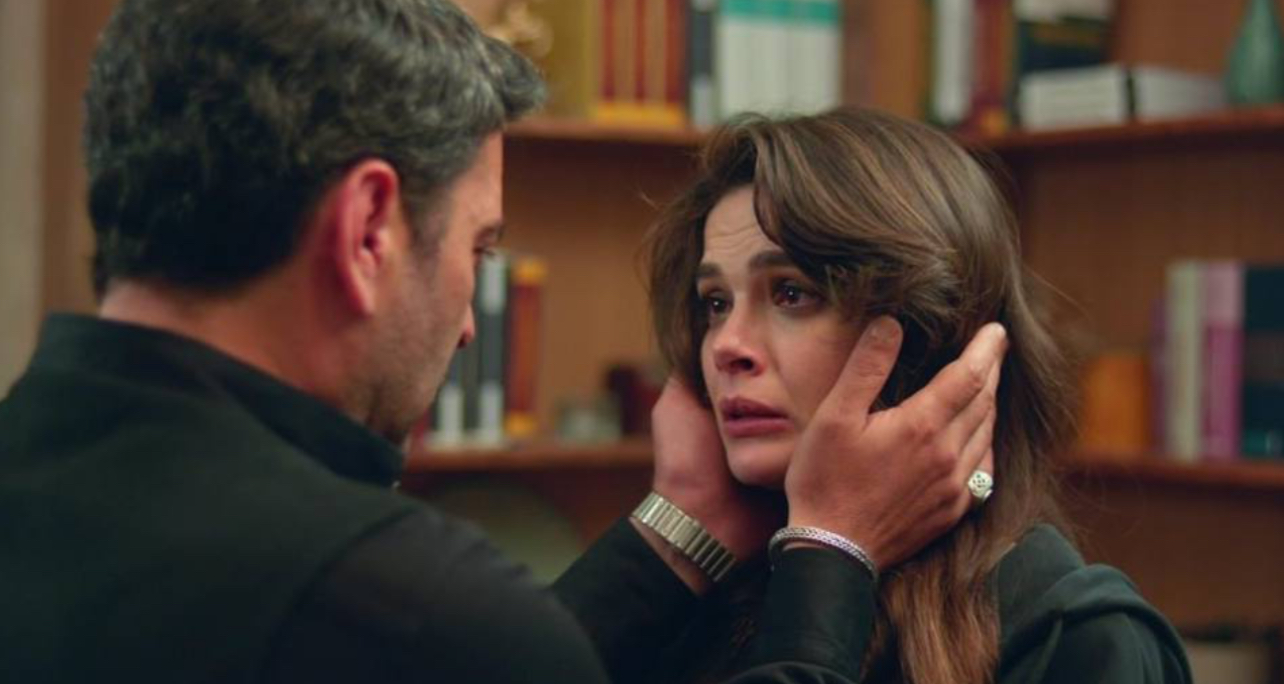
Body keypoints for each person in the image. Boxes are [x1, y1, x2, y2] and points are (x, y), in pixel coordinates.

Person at [0, 1, 1003, 682]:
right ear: (367, 231)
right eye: (478, 251)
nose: (472, 322)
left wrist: (683, 526)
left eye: (790, 292)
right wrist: (831, 552)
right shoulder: (405, 611)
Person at [639, 108, 1194, 684]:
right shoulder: (700, 600)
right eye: (715, 303)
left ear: (930, 333)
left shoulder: (1075, 635)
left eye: (791, 293)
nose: (727, 346)